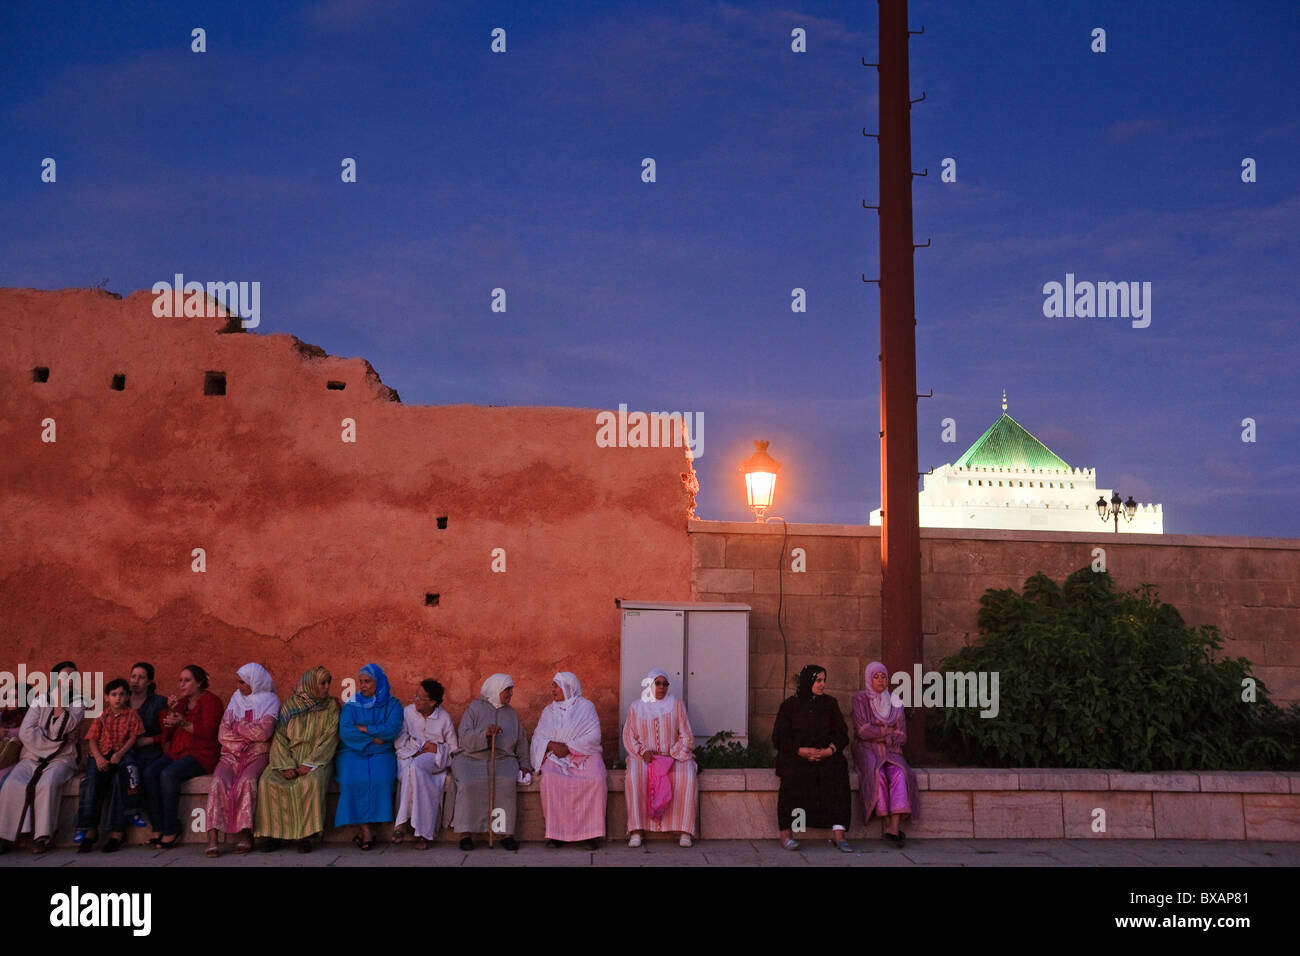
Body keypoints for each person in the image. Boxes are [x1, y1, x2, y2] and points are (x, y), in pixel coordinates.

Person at [0, 662, 85, 854]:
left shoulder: (79, 702)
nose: (70, 681)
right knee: (12, 783)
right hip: (31, 756)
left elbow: (62, 728)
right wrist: (56, 740)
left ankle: (42, 837)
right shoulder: (39, 700)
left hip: (62, 758)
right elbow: (26, 732)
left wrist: (59, 706)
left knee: (47, 783)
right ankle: (5, 835)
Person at [254, 666, 340, 854]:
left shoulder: (331, 706)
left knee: (311, 783)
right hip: (289, 757)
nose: (326, 687)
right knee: (268, 781)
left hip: (317, 759)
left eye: (328, 683)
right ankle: (273, 835)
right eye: (322, 683)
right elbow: (280, 737)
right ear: (310, 685)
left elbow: (330, 738)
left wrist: (309, 763)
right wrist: (285, 765)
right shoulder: (291, 706)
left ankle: (307, 836)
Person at [772, 664, 852, 852]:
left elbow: (842, 734)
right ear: (808, 681)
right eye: (818, 680)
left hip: (825, 755)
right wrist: (800, 750)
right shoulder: (789, 706)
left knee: (838, 773)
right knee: (791, 778)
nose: (822, 684)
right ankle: (786, 834)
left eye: (824, 680)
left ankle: (839, 835)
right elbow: (779, 737)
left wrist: (829, 751)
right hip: (796, 755)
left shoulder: (830, 704)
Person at [142, 664, 221, 847]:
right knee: (149, 772)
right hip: (178, 752)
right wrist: (170, 713)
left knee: (168, 774)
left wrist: (182, 722)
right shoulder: (182, 703)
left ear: (199, 682)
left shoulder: (211, 701)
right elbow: (168, 736)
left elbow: (209, 732)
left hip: (201, 755)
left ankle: (171, 829)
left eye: (187, 680)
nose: (182, 685)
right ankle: (158, 827)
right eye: (180, 680)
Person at [451, 674, 531, 851]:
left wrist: (525, 764)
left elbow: (522, 741)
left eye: (511, 689)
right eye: (507, 689)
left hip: (502, 759)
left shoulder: (511, 713)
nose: (511, 693)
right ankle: (466, 833)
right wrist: (484, 735)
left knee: (505, 783)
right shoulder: (475, 708)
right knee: (468, 783)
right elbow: (464, 736)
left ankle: (504, 833)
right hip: (472, 758)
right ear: (495, 690)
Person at [204, 663, 278, 857]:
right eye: (238, 682)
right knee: (218, 781)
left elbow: (264, 732)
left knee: (247, 781)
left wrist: (238, 726)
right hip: (231, 754)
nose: (239, 686)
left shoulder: (270, 700)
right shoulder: (235, 699)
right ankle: (212, 838)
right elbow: (222, 732)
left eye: (243, 682)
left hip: (258, 754)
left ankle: (246, 835)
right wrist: (241, 742)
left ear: (255, 681)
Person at [622, 668, 698, 847]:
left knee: (686, 776)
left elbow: (686, 734)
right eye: (658, 683)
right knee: (634, 777)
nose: (662, 687)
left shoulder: (676, 705)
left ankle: (684, 830)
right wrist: (643, 752)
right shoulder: (636, 707)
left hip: (672, 756)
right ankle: (637, 830)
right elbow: (628, 735)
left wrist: (673, 753)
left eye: (665, 684)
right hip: (644, 758)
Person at [532, 672, 606, 848]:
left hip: (584, 755)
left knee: (596, 779)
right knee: (549, 778)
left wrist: (570, 747)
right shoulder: (549, 711)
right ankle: (557, 834)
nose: (553, 690)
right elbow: (538, 737)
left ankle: (590, 835)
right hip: (557, 758)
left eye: (556, 685)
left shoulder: (586, 707)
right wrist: (550, 744)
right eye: (553, 686)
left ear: (568, 687)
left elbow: (595, 736)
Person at [335, 662, 402, 850]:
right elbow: (346, 731)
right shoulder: (352, 704)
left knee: (381, 779)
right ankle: (366, 830)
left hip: (382, 753)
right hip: (353, 752)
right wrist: (374, 737)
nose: (363, 685)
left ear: (378, 682)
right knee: (351, 780)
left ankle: (367, 829)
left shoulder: (392, 704)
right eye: (361, 681)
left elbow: (392, 729)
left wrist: (365, 729)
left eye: (368, 681)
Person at [851, 661, 919, 846]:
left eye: (883, 677)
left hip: (892, 750)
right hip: (866, 750)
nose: (880, 680)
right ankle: (888, 824)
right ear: (868, 678)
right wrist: (888, 731)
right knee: (877, 773)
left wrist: (880, 733)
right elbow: (863, 731)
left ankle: (894, 827)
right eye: (876, 676)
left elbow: (902, 735)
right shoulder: (860, 699)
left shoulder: (896, 701)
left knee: (899, 773)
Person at [75, 678, 143, 853]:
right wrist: (98, 758)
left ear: (127, 696)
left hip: (122, 754)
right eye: (114, 695)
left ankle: (118, 831)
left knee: (126, 778)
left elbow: (133, 737)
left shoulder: (132, 714)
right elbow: (92, 740)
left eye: (121, 694)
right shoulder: (101, 717)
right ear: (106, 697)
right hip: (100, 755)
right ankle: (87, 830)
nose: (118, 698)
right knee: (90, 783)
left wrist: (119, 754)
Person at [393, 678, 458, 849]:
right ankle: (422, 833)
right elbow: (400, 741)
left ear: (433, 702)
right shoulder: (407, 713)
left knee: (414, 768)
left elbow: (453, 749)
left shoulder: (444, 718)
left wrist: (435, 748)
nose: (416, 700)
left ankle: (400, 824)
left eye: (421, 698)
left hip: (435, 758)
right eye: (416, 695)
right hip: (410, 755)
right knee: (412, 770)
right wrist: (418, 748)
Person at [124, 662, 168, 826]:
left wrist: (148, 741)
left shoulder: (159, 702)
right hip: (125, 752)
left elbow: (167, 734)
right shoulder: (122, 699)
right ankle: (118, 830)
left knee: (145, 774)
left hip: (149, 752)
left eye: (141, 677)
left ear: (149, 681)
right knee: (120, 775)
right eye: (133, 676)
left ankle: (157, 825)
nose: (136, 681)